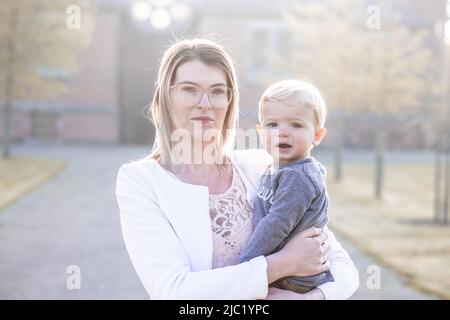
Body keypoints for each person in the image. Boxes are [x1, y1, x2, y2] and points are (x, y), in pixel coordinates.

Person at [115, 38, 359, 300]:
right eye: (189, 89)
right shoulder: (141, 181)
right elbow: (173, 291)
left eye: (218, 91)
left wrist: (309, 298)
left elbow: (342, 267)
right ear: (164, 98)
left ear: (230, 101)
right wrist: (283, 263)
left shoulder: (262, 166)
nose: (205, 103)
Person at [240, 79, 334, 294]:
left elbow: (277, 223)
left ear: (317, 135)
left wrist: (246, 265)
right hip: (283, 270)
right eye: (272, 124)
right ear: (261, 131)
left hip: (293, 279)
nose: (282, 132)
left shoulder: (298, 176)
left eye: (296, 124)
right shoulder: (277, 168)